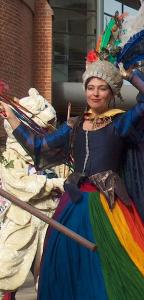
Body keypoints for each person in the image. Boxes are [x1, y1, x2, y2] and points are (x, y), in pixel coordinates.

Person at [0, 7, 144, 300]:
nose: (95, 93)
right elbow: (39, 148)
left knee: (116, 271)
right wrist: (10, 117)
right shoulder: (73, 126)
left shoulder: (120, 123)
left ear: (112, 93)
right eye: (90, 87)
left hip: (111, 207)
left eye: (102, 88)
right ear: (85, 90)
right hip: (74, 206)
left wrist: (131, 75)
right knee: (68, 268)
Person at [0, 89, 66, 300]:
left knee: (52, 278)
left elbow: (68, 178)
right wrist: (53, 183)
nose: (47, 131)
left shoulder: (56, 153)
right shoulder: (11, 154)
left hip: (52, 221)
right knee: (5, 273)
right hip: (22, 221)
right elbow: (18, 184)